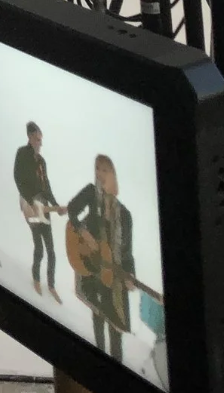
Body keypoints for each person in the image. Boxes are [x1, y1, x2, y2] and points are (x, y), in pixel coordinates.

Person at [67, 153, 136, 360]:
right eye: (97, 168)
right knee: (98, 319)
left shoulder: (124, 215)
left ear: (113, 174)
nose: (99, 173)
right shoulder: (91, 193)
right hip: (94, 269)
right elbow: (72, 209)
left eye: (105, 170)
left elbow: (127, 253)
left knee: (115, 331)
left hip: (114, 277)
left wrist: (130, 275)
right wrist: (83, 232)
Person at [14, 122, 64, 301]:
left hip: (43, 205)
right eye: (37, 139)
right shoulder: (22, 153)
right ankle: (36, 279)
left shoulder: (42, 162)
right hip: (31, 207)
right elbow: (18, 179)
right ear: (29, 137)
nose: (40, 143)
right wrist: (30, 202)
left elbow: (46, 185)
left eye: (41, 139)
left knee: (51, 250)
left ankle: (51, 285)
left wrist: (55, 205)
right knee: (39, 247)